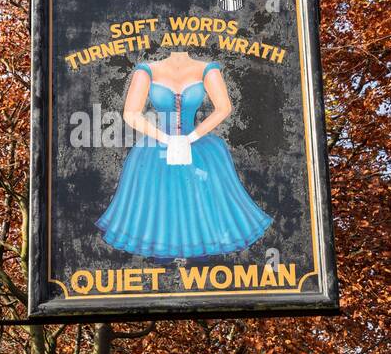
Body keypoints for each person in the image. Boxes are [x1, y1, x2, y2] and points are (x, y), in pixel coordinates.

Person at [96, 51, 273, 258]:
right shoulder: (146, 70)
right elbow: (130, 113)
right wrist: (166, 139)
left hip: (197, 144)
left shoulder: (208, 68)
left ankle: (197, 254)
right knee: (160, 202)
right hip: (156, 146)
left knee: (200, 201)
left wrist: (191, 138)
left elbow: (224, 108)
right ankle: (165, 255)